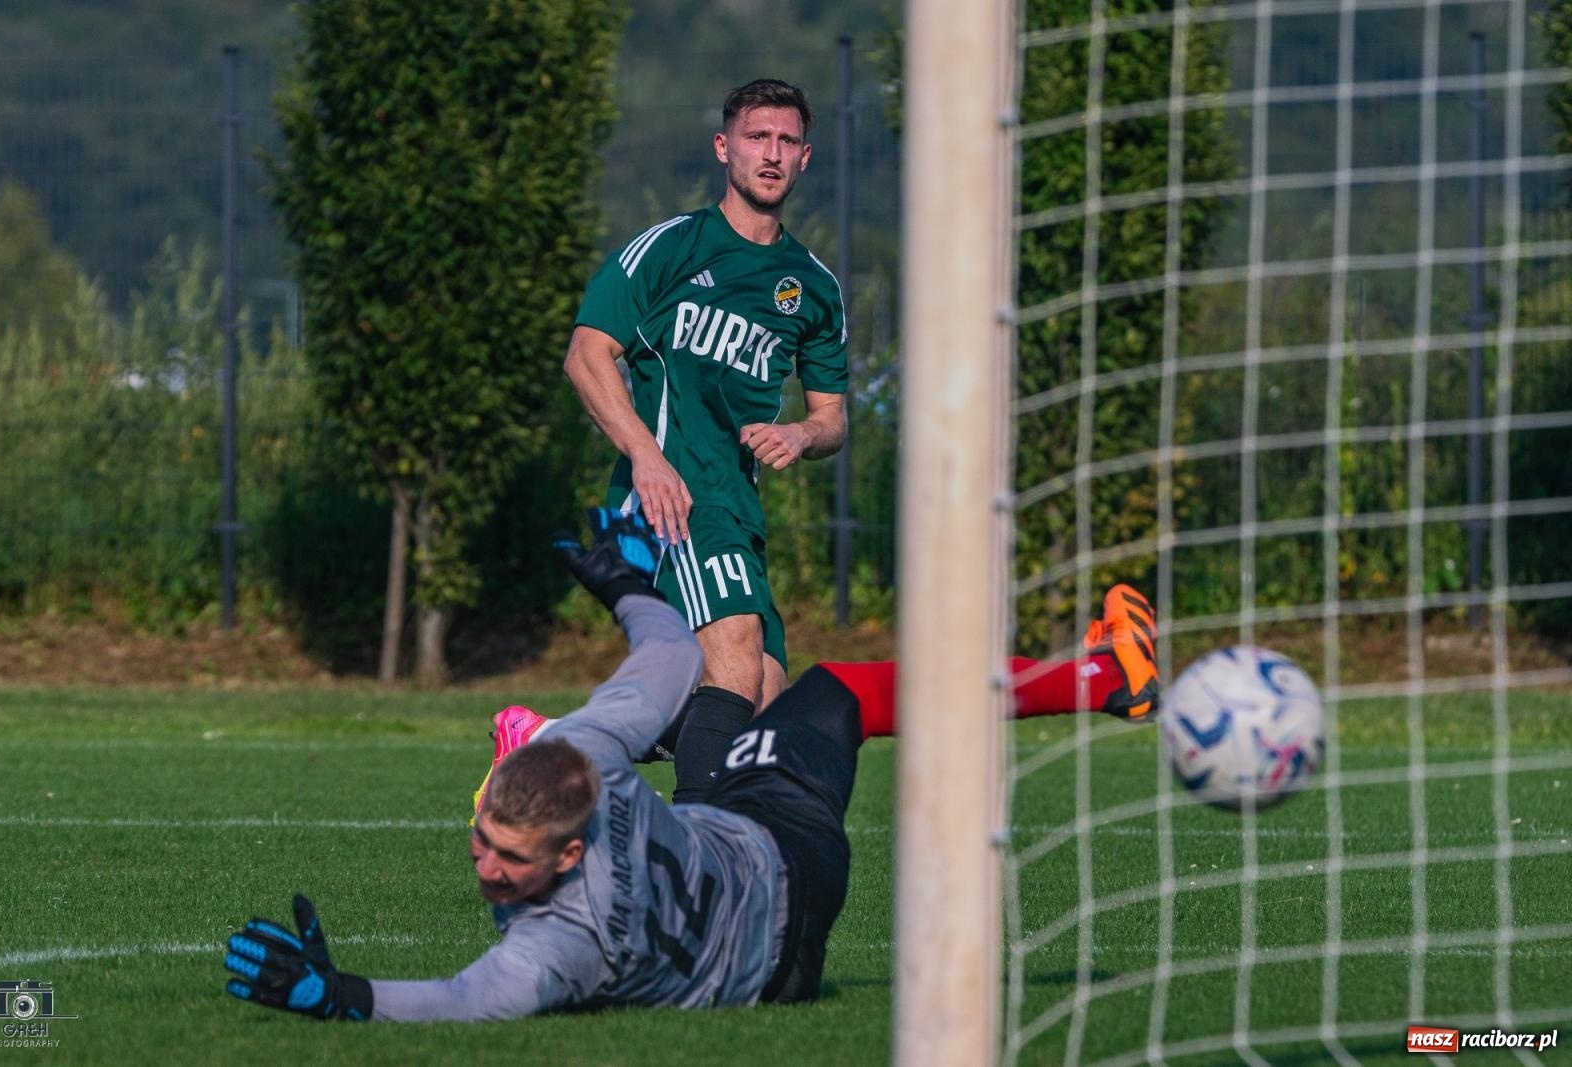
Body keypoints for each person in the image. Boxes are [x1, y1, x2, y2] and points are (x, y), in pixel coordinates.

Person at [222, 509, 1160, 1023]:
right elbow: (665, 654)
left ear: (567, 853)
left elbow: (467, 996)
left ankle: (1109, 674)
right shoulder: (589, 764)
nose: (485, 868)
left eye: (508, 856)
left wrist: (341, 995)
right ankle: (1098, 671)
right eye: (483, 841)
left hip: (774, 905)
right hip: (766, 863)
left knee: (757, 702)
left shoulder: (558, 945)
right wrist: (628, 588)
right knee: (832, 693)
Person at [563, 77, 849, 804]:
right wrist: (647, 458)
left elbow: (833, 418)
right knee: (738, 664)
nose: (771, 154)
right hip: (672, 501)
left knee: (762, 706)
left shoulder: (811, 287)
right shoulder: (671, 248)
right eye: (757, 137)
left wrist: (801, 432)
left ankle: (556, 745)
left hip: (735, 509)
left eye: (786, 141)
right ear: (725, 148)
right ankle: (690, 868)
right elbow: (587, 355)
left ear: (805, 158)